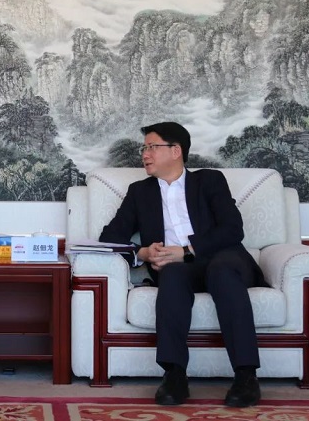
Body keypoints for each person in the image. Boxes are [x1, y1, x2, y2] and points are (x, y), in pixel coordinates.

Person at [99, 122, 266, 407]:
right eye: (144, 148)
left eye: (152, 147)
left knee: (221, 271)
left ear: (176, 151)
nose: (145, 154)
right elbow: (109, 238)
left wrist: (187, 251)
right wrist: (144, 253)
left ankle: (246, 376)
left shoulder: (209, 180)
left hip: (223, 258)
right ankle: (174, 375)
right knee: (172, 274)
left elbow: (232, 229)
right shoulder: (140, 192)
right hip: (179, 268)